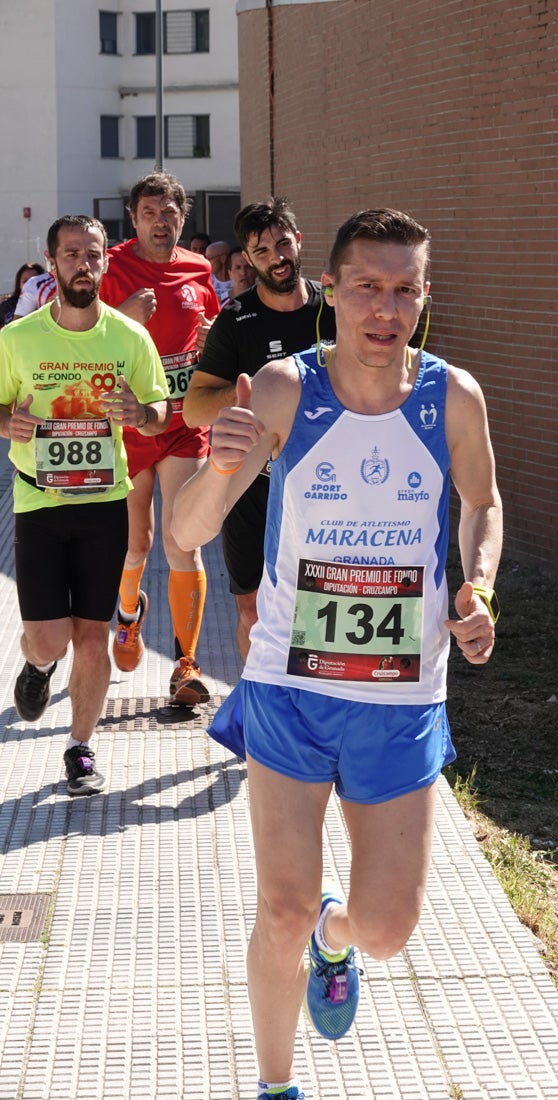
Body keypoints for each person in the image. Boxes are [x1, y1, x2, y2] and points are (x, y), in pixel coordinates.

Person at [172, 208, 503, 1100]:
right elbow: (186, 529)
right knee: (279, 908)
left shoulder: (452, 397)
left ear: (424, 297)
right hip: (288, 685)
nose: (384, 307)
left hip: (400, 694)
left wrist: (476, 584)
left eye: (404, 288)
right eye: (367, 286)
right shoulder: (282, 389)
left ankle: (338, 940)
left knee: (388, 930)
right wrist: (217, 463)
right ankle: (276, 1086)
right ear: (332, 292)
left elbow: (482, 503)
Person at [0, 215, 170, 796]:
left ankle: (80, 748)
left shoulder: (129, 336)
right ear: (53, 263)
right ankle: (37, 664)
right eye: (71, 254)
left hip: (104, 503)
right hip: (39, 502)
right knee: (49, 637)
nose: (83, 263)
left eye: (92, 254)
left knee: (92, 636)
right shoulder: (17, 339)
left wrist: (139, 416)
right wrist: (9, 421)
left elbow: (160, 409)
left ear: (104, 261)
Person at [183, 197, 337, 660]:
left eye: (282, 244)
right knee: (251, 611)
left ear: (298, 242)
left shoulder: (336, 308)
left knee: (318, 609)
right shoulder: (236, 319)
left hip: (326, 486)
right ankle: (256, 720)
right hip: (255, 486)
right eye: (263, 251)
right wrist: (250, 395)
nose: (277, 258)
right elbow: (193, 409)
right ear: (247, 260)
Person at [99, 171, 220, 706]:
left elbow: (211, 334)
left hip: (182, 424)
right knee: (137, 542)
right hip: (126, 424)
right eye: (150, 212)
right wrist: (124, 317)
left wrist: (216, 341)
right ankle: (127, 616)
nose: (161, 221)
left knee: (182, 540)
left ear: (182, 218)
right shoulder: (113, 267)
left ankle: (185, 664)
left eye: (170, 212)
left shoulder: (198, 269)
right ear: (134, 218)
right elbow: (84, 338)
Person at [0, 262, 44, 327]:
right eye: (25, 281)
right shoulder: (6, 305)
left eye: (34, 281)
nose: (29, 285)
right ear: (19, 284)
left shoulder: (47, 304)